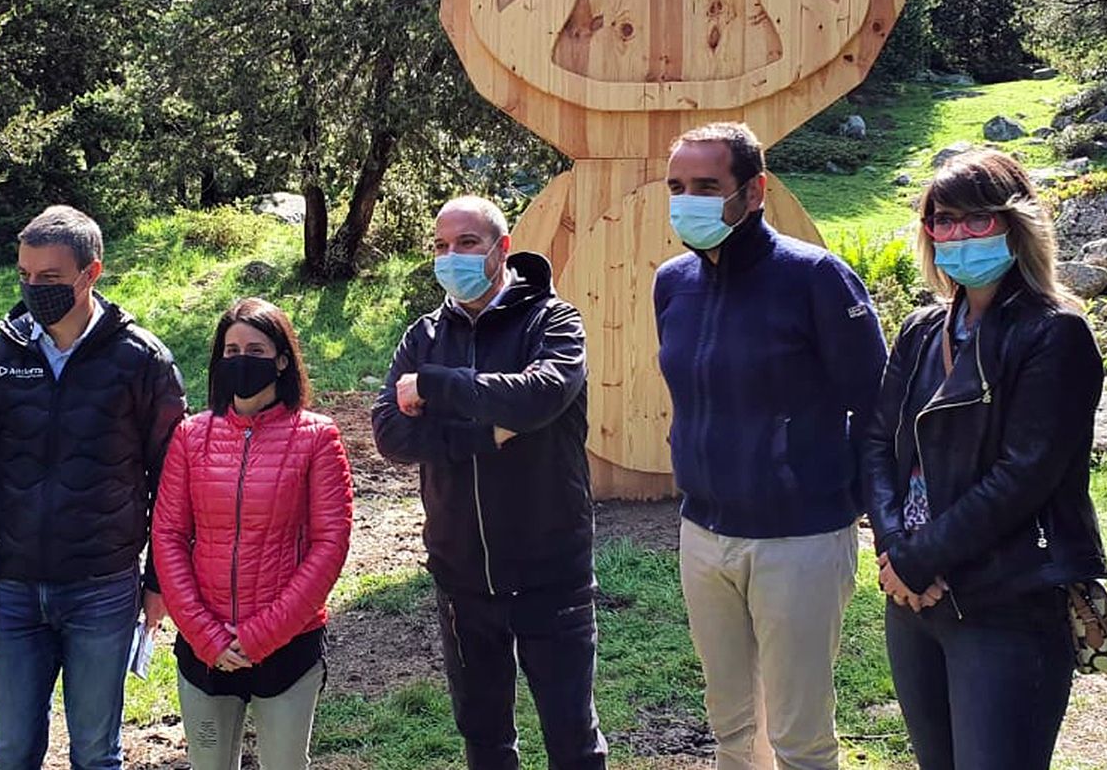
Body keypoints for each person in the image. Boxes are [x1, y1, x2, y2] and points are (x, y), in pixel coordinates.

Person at [860, 149, 1107, 770]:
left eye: (977, 221)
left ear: (1015, 226)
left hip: (1005, 599)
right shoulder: (920, 331)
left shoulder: (1055, 334)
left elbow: (1024, 475)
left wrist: (921, 558)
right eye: (942, 220)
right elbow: (877, 444)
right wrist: (896, 552)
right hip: (914, 601)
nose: (955, 235)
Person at [654, 122, 887, 770]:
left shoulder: (817, 278)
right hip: (702, 534)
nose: (688, 201)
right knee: (732, 729)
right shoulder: (672, 283)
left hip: (801, 540)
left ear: (753, 191)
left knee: (799, 739)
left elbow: (877, 405)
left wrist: (873, 517)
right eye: (676, 187)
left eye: (706, 186)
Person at [371, 195, 608, 770]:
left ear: (501, 250)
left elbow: (538, 395)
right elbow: (390, 435)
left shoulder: (553, 320)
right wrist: (481, 435)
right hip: (461, 580)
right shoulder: (424, 333)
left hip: (551, 574)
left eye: (467, 244)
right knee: (486, 744)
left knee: (572, 743)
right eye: (441, 246)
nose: (451, 257)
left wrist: (435, 386)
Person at [0, 205, 187, 770]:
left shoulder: (141, 360)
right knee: (11, 755)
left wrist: (158, 583)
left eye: (50, 278)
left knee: (96, 753)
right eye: (25, 276)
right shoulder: (1, 357)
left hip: (102, 588)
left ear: (90, 273)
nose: (34, 289)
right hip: (10, 589)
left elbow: (173, 480)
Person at [152, 298, 354, 770]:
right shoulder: (190, 436)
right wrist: (206, 634)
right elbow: (167, 535)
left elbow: (330, 544)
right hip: (206, 650)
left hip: (288, 646)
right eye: (232, 349)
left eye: (257, 350)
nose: (242, 359)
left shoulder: (317, 438)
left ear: (282, 360)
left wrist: (263, 634)